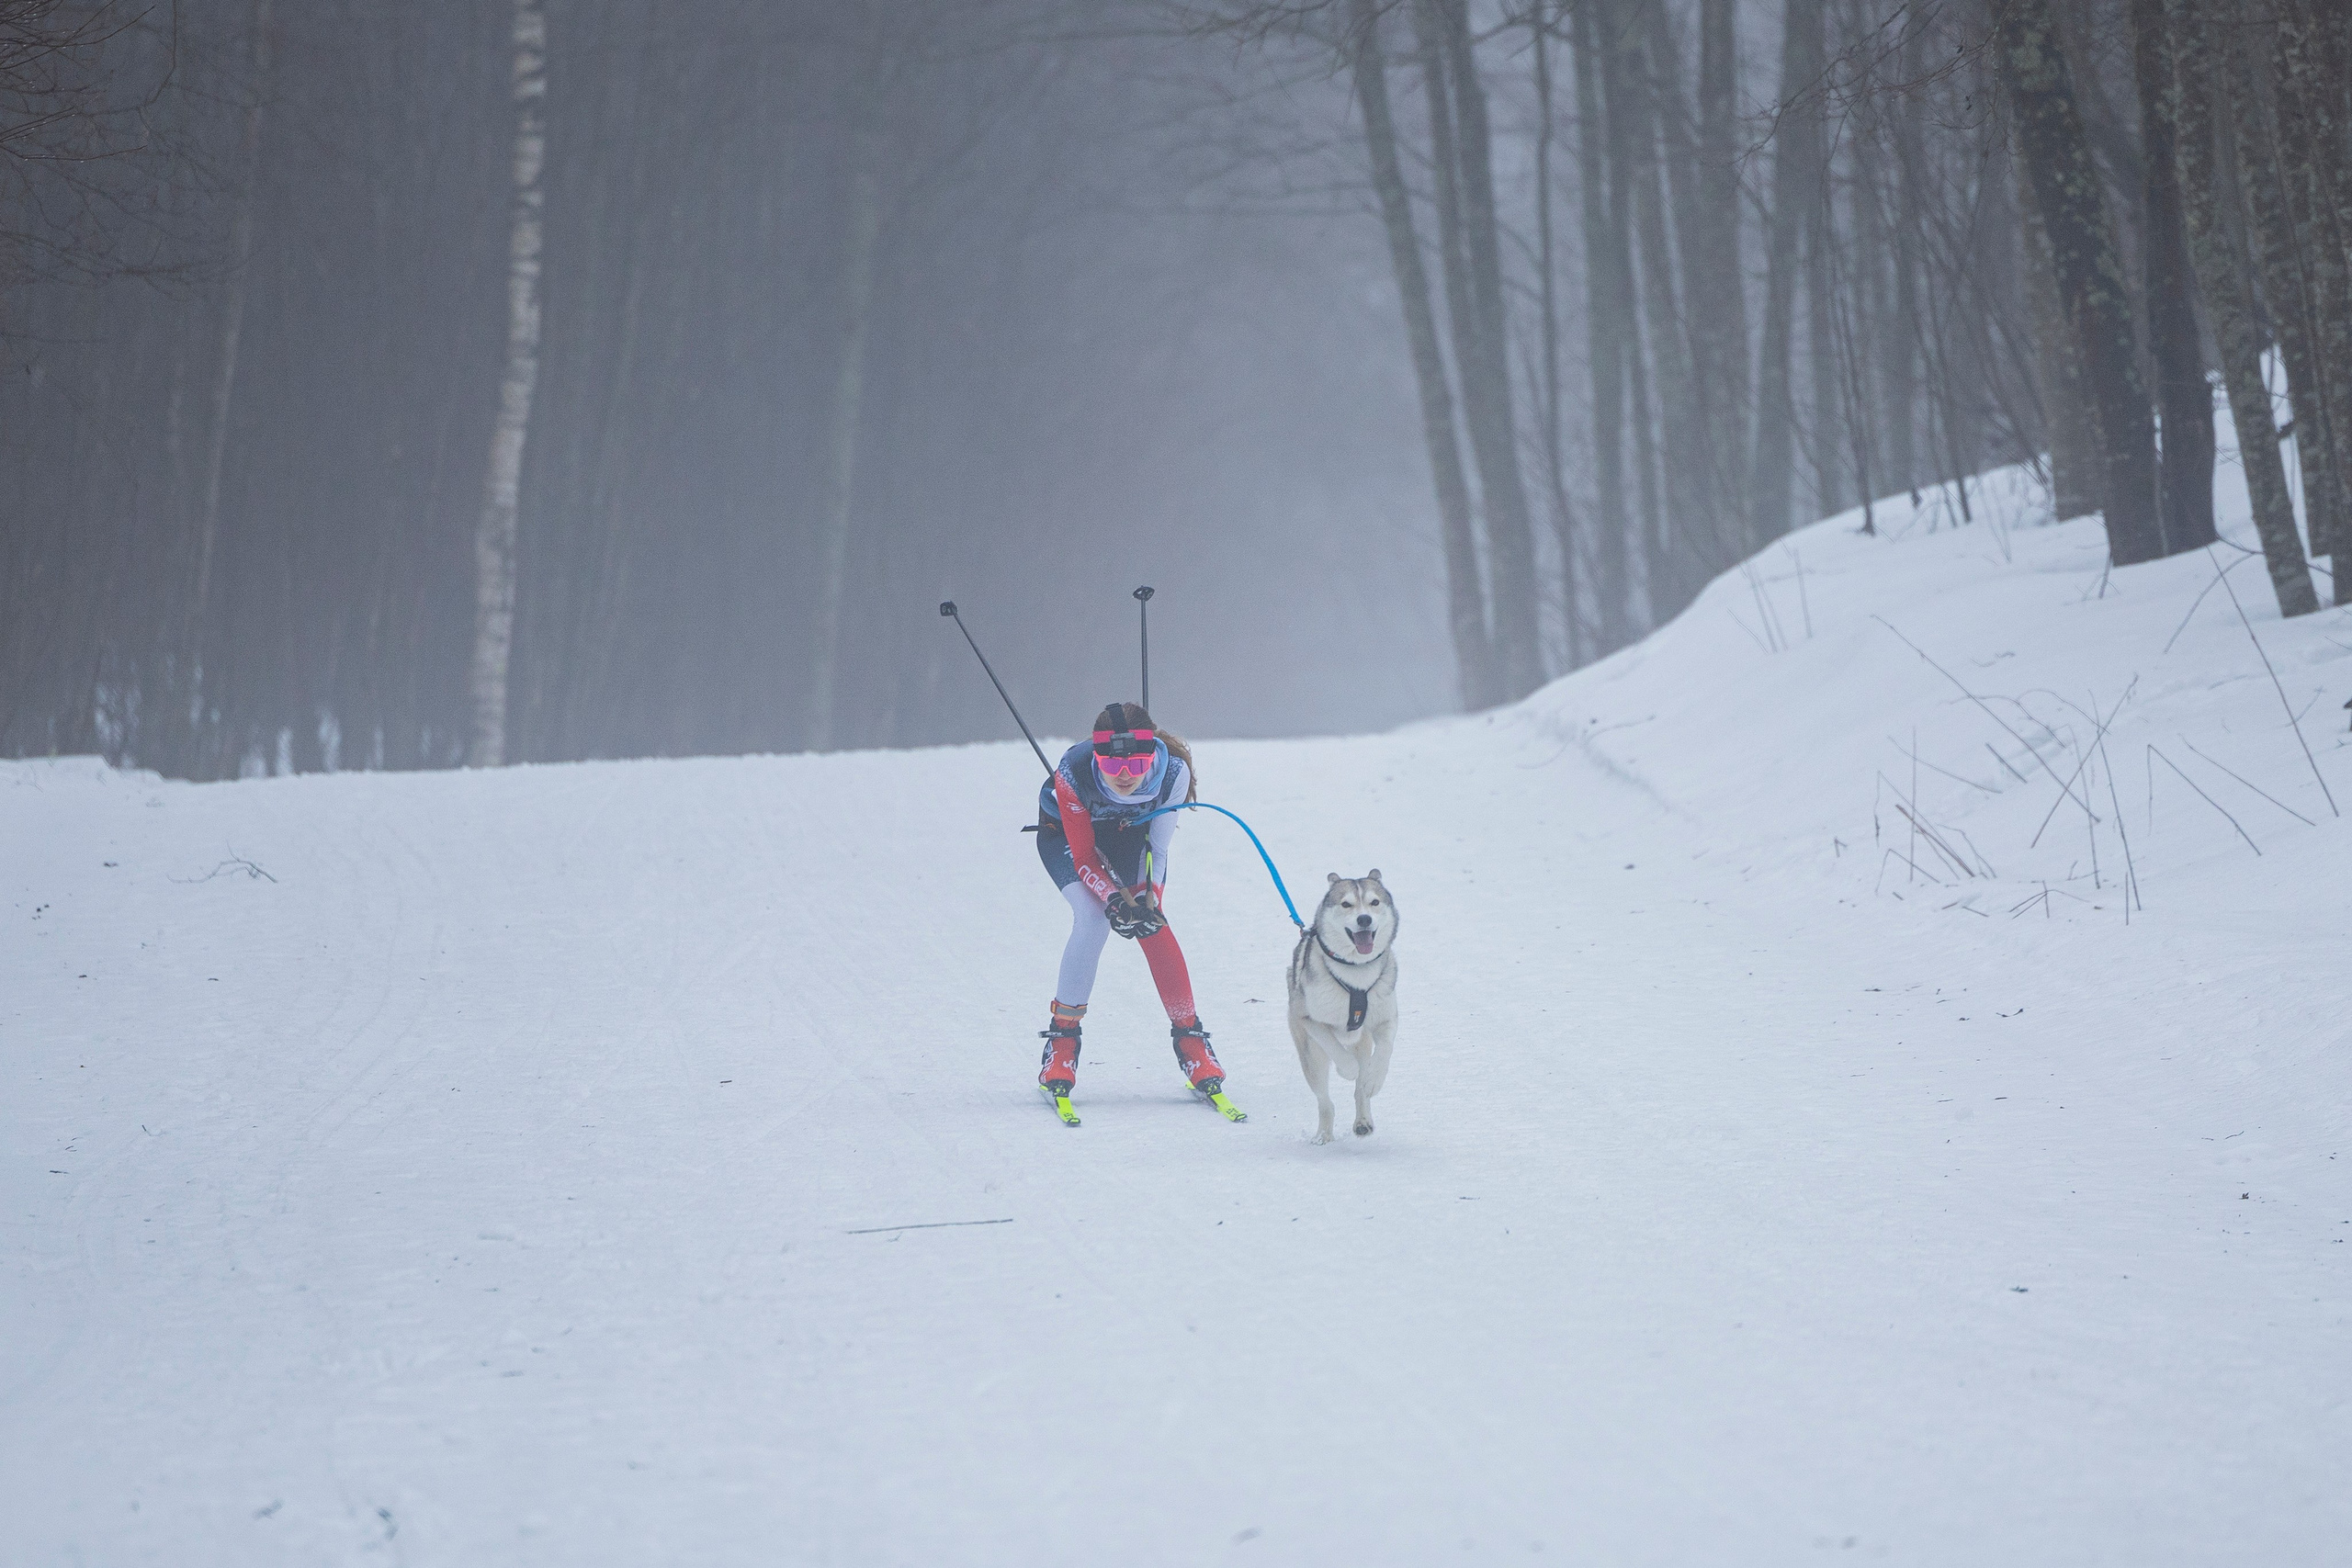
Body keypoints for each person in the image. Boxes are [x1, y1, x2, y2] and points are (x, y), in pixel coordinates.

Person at [1035, 701, 1225, 1099]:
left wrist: (1148, 900)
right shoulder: (1072, 772)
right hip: (1070, 841)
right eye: (1111, 766)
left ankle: (1191, 1038)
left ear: (1153, 754)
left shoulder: (1173, 770)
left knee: (1151, 921)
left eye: (1137, 766)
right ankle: (1062, 1042)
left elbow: (1159, 846)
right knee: (1093, 917)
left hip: (1131, 841)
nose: (1123, 776)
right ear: (1097, 756)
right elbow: (1085, 857)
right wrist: (1111, 899)